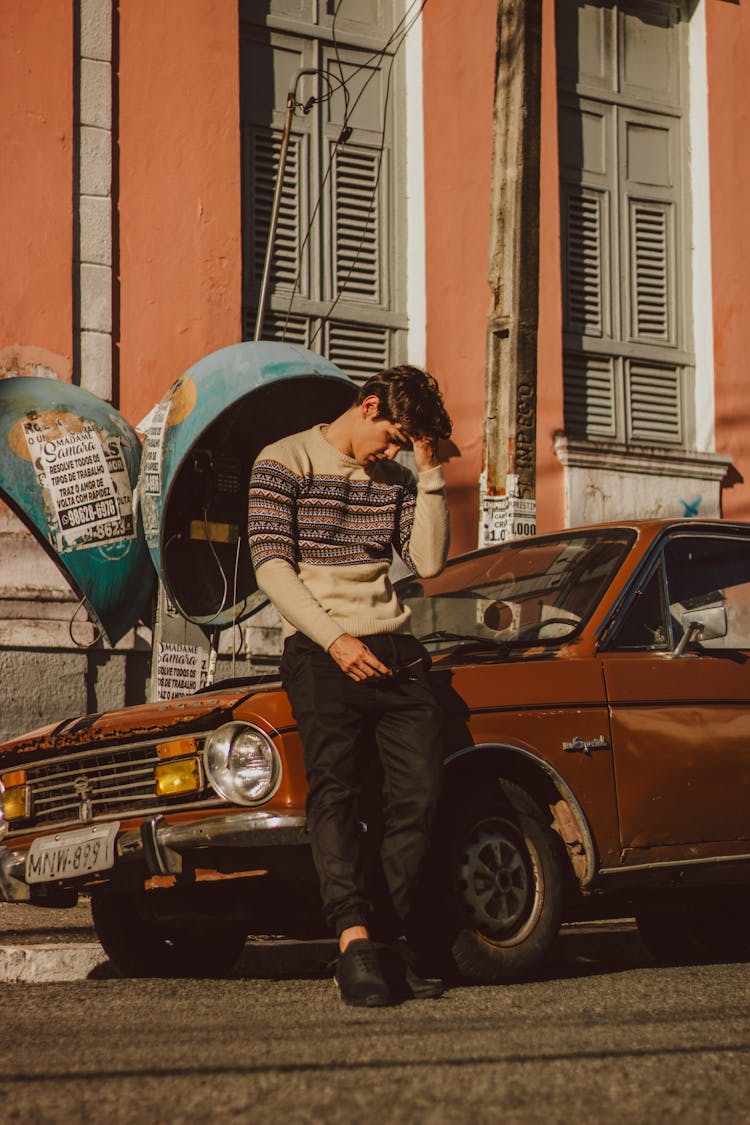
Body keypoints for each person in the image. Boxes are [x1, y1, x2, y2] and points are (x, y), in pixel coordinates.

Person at [247, 364, 452, 1007]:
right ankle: (354, 942)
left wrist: (430, 467)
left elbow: (431, 561)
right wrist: (335, 639)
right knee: (334, 792)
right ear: (367, 407)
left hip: (395, 649)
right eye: (393, 437)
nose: (391, 453)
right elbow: (272, 568)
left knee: (416, 796)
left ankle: (391, 943)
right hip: (321, 647)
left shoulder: (394, 477)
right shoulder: (282, 462)